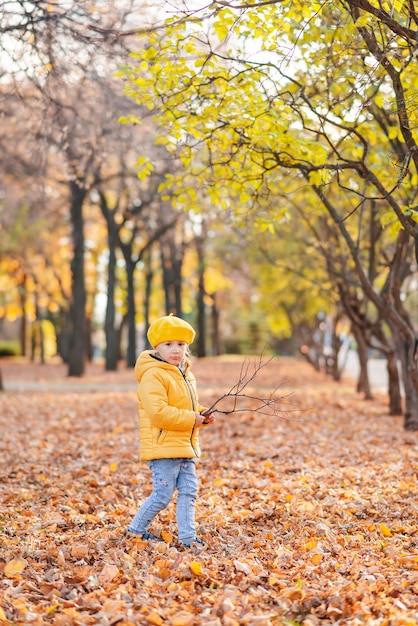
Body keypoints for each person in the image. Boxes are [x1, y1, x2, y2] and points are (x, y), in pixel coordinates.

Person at [128, 314, 215, 548]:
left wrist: (202, 414)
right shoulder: (153, 375)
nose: (175, 350)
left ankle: (188, 538)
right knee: (162, 496)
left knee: (189, 492)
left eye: (181, 345)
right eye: (168, 345)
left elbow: (187, 406)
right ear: (156, 348)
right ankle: (136, 530)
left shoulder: (185, 373)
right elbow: (159, 413)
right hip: (163, 448)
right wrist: (192, 419)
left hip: (185, 445)